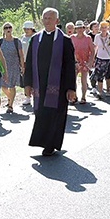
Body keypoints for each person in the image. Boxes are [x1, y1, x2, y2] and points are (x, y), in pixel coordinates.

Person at [24, 8, 76, 156]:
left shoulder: (65, 41)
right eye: (45, 18)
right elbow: (29, 64)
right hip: (40, 84)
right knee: (41, 114)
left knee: (55, 115)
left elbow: (69, 65)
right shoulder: (35, 39)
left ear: (57, 21)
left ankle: (51, 145)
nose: (47, 21)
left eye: (50, 18)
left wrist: (71, 88)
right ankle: (42, 141)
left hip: (59, 86)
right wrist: (27, 84)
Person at [0, 22, 24, 114]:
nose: (8, 29)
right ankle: (10, 98)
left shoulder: (17, 41)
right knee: (3, 86)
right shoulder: (0, 41)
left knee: (12, 86)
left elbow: (21, 55)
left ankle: (10, 105)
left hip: (14, 66)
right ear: (4, 30)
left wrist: (22, 66)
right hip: (3, 67)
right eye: (6, 28)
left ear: (12, 29)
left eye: (9, 27)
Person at [71, 20, 95, 104]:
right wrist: (74, 62)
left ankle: (83, 97)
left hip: (85, 61)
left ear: (84, 28)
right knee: (73, 80)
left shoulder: (88, 38)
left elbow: (92, 51)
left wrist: (90, 62)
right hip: (75, 62)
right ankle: (74, 96)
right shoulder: (72, 38)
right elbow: (70, 51)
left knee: (83, 80)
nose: (79, 30)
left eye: (81, 28)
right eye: (78, 28)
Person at [92, 21, 110, 98]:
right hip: (100, 58)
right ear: (100, 28)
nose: (104, 29)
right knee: (100, 75)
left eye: (105, 27)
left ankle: (108, 90)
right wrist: (93, 57)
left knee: (108, 74)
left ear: (108, 28)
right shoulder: (97, 37)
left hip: (109, 58)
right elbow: (95, 47)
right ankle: (100, 91)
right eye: (102, 27)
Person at [20, 21, 36, 109]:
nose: (26, 30)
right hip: (25, 61)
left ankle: (35, 95)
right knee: (26, 79)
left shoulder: (36, 37)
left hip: (34, 61)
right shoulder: (22, 38)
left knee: (35, 79)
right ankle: (27, 97)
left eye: (28, 29)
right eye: (25, 29)